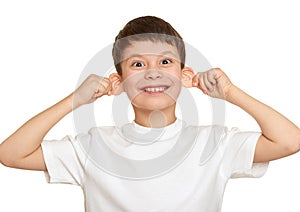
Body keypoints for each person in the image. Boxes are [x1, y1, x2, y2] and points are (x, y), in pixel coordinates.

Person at [0, 16, 299, 212]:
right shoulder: (92, 145)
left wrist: (231, 93)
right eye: (138, 65)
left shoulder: (215, 143)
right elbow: (12, 154)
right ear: (118, 82)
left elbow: (288, 141)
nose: (153, 73)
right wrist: (74, 100)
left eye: (166, 62)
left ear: (185, 75)